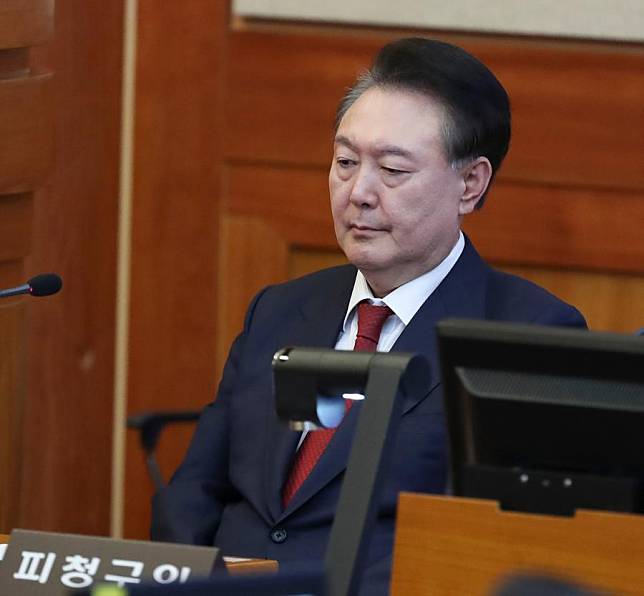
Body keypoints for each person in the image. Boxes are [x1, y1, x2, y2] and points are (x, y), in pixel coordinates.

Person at [151, 37, 586, 594]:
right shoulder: (279, 310)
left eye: (392, 170)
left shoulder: (529, 336)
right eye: (345, 162)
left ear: (470, 184)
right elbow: (195, 495)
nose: (358, 192)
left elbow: (488, 551)